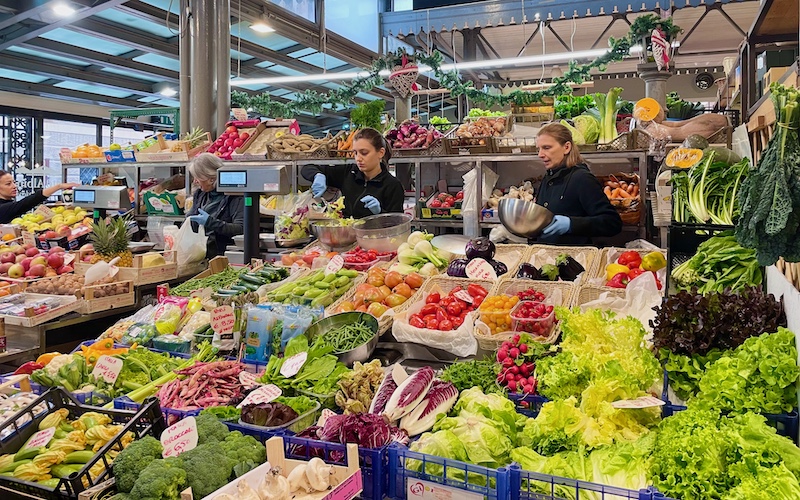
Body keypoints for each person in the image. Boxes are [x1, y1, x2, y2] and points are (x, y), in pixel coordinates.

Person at [535, 123, 622, 244]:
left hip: (574, 257)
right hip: (545, 254)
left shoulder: (582, 179)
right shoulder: (548, 177)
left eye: (546, 148)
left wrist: (571, 224)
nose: (540, 154)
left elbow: (612, 223)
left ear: (566, 147)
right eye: (538, 149)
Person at [301, 128, 404, 219]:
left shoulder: (393, 186)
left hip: (375, 238)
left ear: (381, 153)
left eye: (364, 153)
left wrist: (380, 212)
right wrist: (318, 175)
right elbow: (307, 167)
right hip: (347, 235)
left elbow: (397, 225)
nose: (358, 158)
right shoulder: (348, 172)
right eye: (355, 153)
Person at [185, 153, 244, 258]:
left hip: (224, 256)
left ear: (211, 179)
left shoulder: (235, 196)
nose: (195, 181)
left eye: (197, 177)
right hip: (201, 255)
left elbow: (240, 229)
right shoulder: (200, 194)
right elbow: (192, 217)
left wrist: (210, 222)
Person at [0, 171, 79, 224]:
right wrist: (59, 186)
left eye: (14, 182)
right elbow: (29, 201)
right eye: (8, 184)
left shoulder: (8, 204)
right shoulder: (3, 208)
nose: (14, 186)